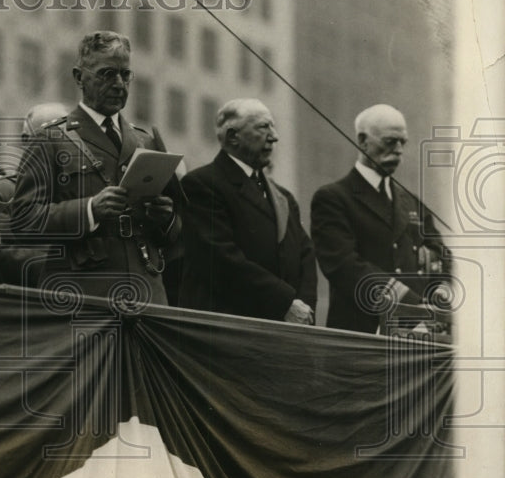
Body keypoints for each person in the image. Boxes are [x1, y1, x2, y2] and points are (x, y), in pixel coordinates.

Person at [10, 31, 183, 305]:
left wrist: (166, 219)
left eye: (125, 75)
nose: (118, 84)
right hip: (85, 298)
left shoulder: (145, 140)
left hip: (147, 297)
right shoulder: (50, 139)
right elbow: (22, 220)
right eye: (106, 74)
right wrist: (90, 209)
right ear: (79, 77)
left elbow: (174, 235)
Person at [311, 104, 451, 334]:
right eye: (390, 141)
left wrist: (442, 291)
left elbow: (442, 256)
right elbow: (343, 265)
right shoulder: (333, 198)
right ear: (363, 140)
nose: (398, 150)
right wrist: (411, 304)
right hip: (362, 336)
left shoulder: (412, 203)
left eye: (402, 142)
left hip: (419, 335)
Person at [178, 98, 317, 324]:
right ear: (233, 136)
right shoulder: (201, 185)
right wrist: (284, 303)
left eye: (273, 126)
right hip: (230, 332)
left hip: (286, 331)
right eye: (264, 127)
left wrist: (303, 309)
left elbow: (305, 256)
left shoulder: (284, 197)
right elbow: (221, 260)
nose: (274, 136)